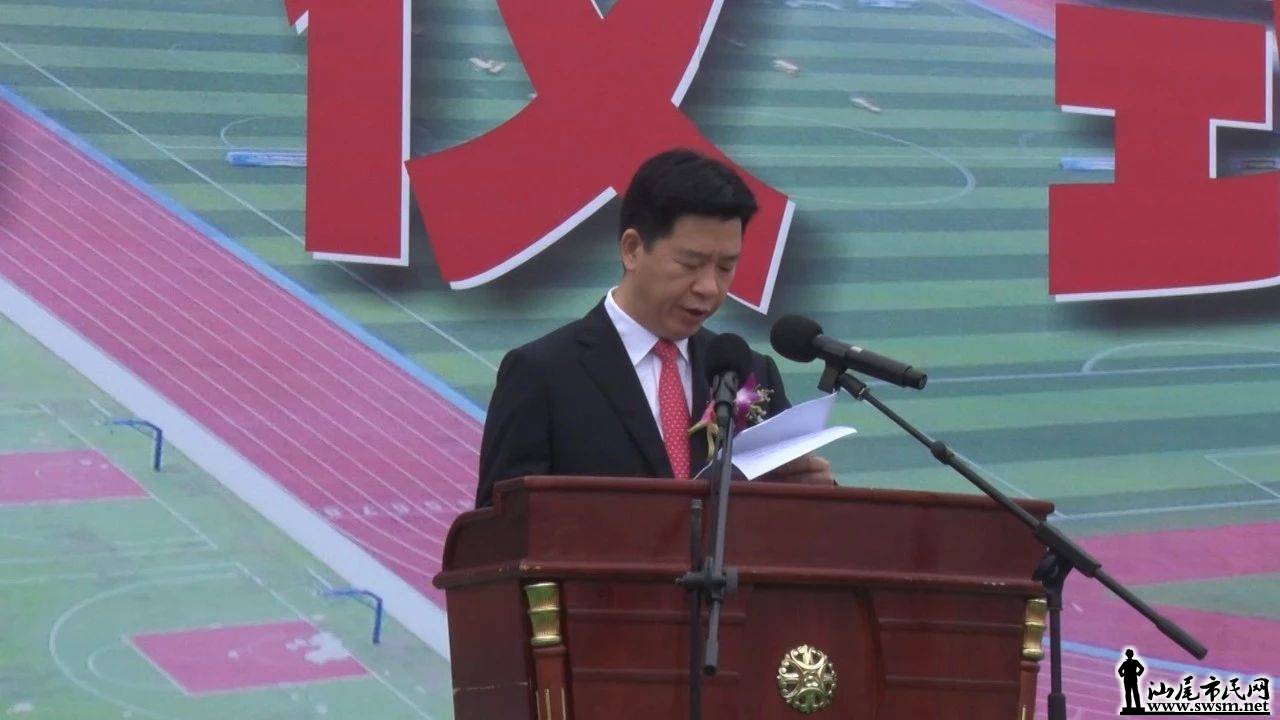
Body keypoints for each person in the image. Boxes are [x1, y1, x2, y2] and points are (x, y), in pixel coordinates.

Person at [476, 149, 834, 508]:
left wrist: (815, 493)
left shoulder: (750, 373)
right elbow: (501, 525)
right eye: (690, 263)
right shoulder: (542, 374)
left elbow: (790, 513)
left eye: (726, 267)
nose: (709, 287)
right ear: (632, 249)